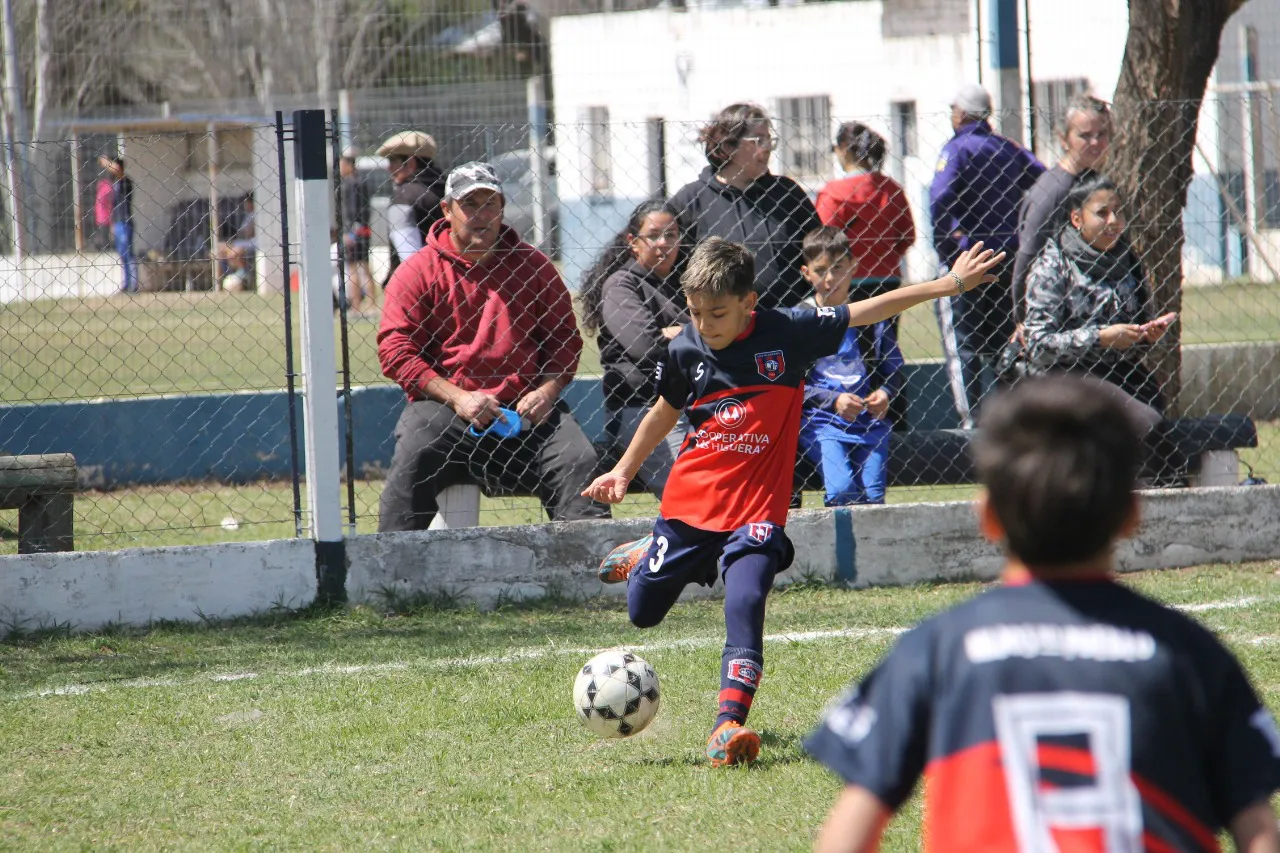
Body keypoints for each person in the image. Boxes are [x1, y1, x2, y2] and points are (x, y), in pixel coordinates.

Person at [805, 374, 1280, 853]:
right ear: (1133, 515)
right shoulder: (1191, 653)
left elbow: (851, 828)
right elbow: (1258, 830)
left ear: (986, 517)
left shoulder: (937, 649)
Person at [583, 236, 1005, 767]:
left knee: (746, 601)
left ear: (749, 303)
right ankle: (647, 554)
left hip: (758, 511)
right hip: (691, 506)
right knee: (643, 614)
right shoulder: (686, 349)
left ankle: (726, 726)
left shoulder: (787, 332)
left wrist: (949, 284)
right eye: (694, 311)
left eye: (717, 313)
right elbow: (664, 413)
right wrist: (622, 471)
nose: (704, 324)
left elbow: (866, 310)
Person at [377, 162, 609, 531]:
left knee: (577, 458)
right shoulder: (418, 270)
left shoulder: (534, 266)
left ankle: (590, 568)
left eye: (491, 204)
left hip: (526, 408)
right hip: (445, 408)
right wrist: (457, 398)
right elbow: (395, 350)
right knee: (416, 452)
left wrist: (547, 392)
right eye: (469, 205)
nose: (481, 215)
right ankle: (389, 570)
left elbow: (564, 340)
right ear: (447, 211)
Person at [1023, 174, 1185, 486]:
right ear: (1076, 218)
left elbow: (1133, 322)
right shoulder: (1053, 265)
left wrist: (1143, 335)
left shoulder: (1125, 259)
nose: (1114, 221)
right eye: (1102, 213)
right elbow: (1037, 344)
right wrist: (1100, 337)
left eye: (1118, 212)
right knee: (1147, 427)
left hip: (1120, 373)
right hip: (1070, 376)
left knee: (1156, 438)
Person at [930, 83, 1045, 427]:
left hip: (968, 260)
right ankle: (1005, 415)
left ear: (962, 113)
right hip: (1007, 259)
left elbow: (939, 198)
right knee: (1002, 338)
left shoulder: (958, 150)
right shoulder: (1008, 148)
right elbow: (1041, 178)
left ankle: (972, 420)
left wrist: (949, 247)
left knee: (963, 342)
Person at [577, 199, 690, 496]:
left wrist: (677, 334)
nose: (664, 243)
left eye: (671, 234)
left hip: (692, 404)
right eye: (653, 235)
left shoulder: (683, 285)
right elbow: (646, 347)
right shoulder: (621, 285)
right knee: (692, 489)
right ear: (633, 242)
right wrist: (692, 334)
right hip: (640, 408)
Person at [668, 103, 821, 309]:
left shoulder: (786, 193)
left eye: (769, 140)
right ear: (728, 145)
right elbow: (670, 268)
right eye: (758, 140)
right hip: (722, 329)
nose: (766, 148)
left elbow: (820, 251)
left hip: (789, 322)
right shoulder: (691, 200)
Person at [817, 122, 916, 428]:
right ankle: (893, 413)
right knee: (887, 349)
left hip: (847, 283)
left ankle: (852, 413)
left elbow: (825, 238)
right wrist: (882, 255)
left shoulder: (834, 192)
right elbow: (907, 235)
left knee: (852, 350)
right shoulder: (890, 189)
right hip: (887, 281)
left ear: (843, 150)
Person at [798, 228, 903, 506]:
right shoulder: (800, 321)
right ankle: (839, 549)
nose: (831, 278)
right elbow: (789, 384)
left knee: (872, 498)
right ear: (806, 273)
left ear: (854, 267)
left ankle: (869, 551)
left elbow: (894, 368)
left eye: (838, 268)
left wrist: (885, 393)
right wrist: (832, 400)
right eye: (820, 270)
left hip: (869, 424)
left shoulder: (870, 317)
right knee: (843, 491)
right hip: (820, 424)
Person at [1011, 94, 1113, 331]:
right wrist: (1022, 319)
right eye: (1084, 136)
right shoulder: (1055, 190)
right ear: (1064, 139)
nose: (1095, 143)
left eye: (1101, 134)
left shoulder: (1093, 183)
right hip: (1056, 320)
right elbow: (1027, 255)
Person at [377, 130, 447, 287]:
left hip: (413, 288)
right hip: (451, 280)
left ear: (410, 162)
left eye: (392, 160)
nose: (389, 168)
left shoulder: (404, 197)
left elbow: (409, 260)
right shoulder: (448, 190)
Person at [339, 148, 376, 313]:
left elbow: (352, 210)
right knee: (366, 267)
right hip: (365, 229)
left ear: (348, 164)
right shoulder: (362, 180)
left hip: (354, 231)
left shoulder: (350, 183)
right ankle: (372, 304)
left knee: (353, 268)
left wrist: (350, 232)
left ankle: (356, 306)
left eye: (341, 164)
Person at [99, 154, 137, 293]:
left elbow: (116, 170)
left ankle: (133, 283)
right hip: (118, 222)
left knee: (128, 252)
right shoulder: (114, 184)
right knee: (122, 254)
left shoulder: (125, 181)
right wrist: (112, 225)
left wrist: (106, 162)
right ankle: (126, 283)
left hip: (126, 221)